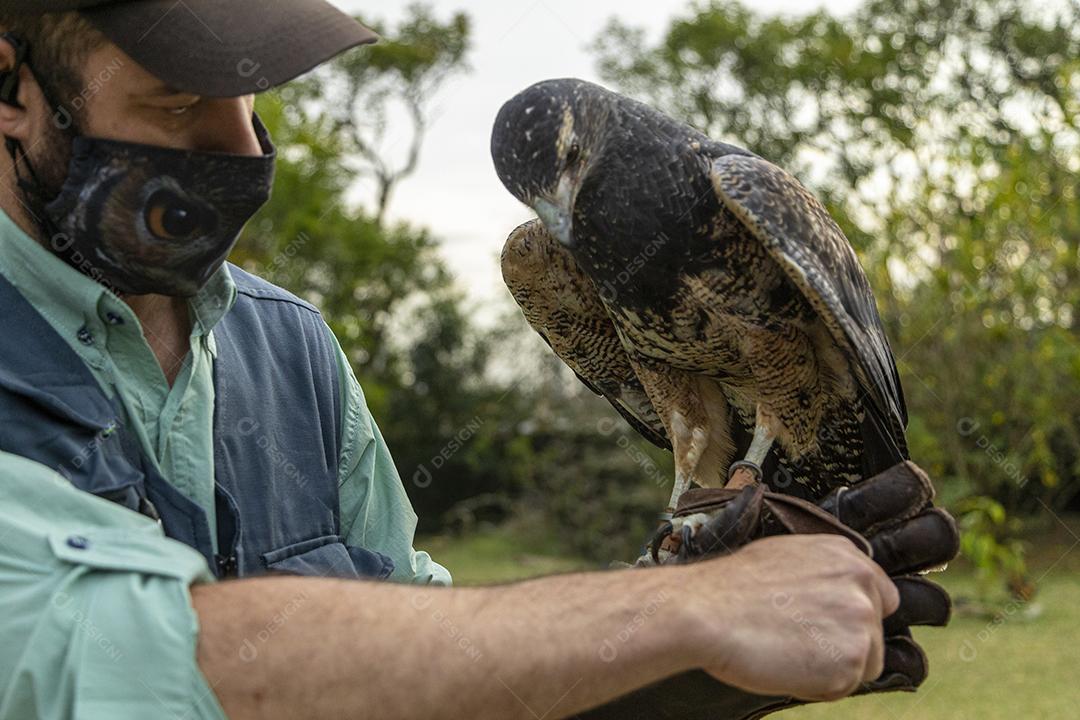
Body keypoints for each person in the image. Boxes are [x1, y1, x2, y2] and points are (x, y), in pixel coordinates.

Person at [0, 3, 933, 719]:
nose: (244, 145)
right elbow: (114, 657)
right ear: (11, 91)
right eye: (177, 103)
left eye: (250, 98)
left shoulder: (290, 350)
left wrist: (667, 671)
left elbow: (439, 672)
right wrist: (678, 616)